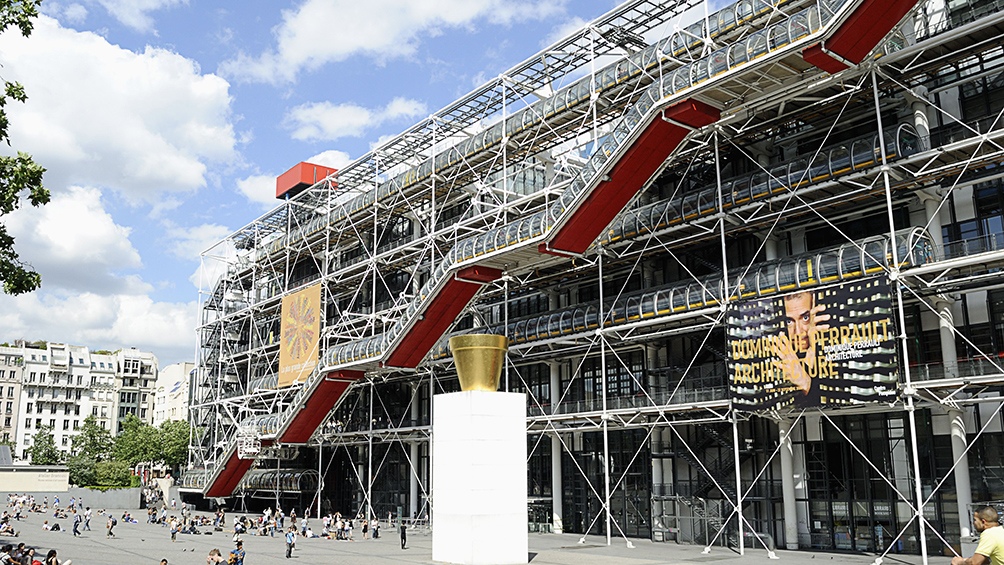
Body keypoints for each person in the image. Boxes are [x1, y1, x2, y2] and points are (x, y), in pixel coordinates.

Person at [773, 290, 830, 407]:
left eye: (805, 317)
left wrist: (806, 384)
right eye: (789, 321)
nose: (798, 331)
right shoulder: (779, 361)